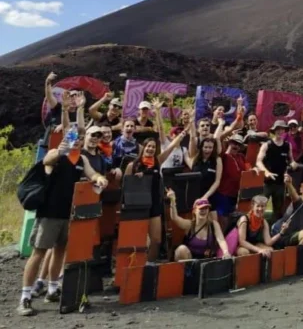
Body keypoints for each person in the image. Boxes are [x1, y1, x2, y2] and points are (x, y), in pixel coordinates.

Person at [18, 130, 109, 316]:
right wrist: (62, 148)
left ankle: (52, 289)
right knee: (38, 253)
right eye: (72, 139)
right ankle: (25, 297)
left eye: (79, 139)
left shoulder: (82, 160)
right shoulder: (57, 155)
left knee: (60, 251)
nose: (76, 142)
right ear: (66, 140)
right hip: (49, 214)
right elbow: (47, 160)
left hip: (69, 214)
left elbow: (92, 174)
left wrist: (100, 179)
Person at [124, 130, 187, 262]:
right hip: (138, 206)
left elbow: (170, 148)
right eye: (149, 146)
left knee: (156, 239)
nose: (151, 149)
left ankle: (150, 263)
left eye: (153, 147)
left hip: (155, 204)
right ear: (143, 148)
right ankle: (136, 264)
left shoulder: (157, 161)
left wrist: (182, 134)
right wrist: (137, 180)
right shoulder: (133, 165)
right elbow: (125, 186)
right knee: (139, 239)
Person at [167, 195, 230, 260]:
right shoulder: (189, 225)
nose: (204, 211)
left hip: (206, 261)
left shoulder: (214, 225)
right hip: (189, 261)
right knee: (181, 249)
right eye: (201, 208)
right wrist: (172, 200)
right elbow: (174, 218)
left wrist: (226, 252)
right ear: (195, 211)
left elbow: (221, 240)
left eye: (206, 208)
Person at [256, 120, 295, 222]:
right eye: (277, 129)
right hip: (267, 183)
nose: (279, 131)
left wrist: (293, 164)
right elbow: (258, 162)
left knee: (278, 210)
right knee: (259, 207)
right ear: (274, 130)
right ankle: (256, 229)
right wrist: (267, 172)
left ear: (284, 131)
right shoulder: (267, 144)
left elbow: (291, 160)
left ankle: (273, 231)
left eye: (282, 129)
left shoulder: (287, 145)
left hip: (280, 183)